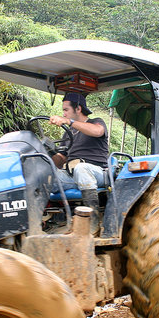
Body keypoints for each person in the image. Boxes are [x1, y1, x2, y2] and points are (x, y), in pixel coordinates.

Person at [49, 92, 108, 231]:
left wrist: (70, 122)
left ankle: (93, 223)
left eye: (66, 110)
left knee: (82, 168)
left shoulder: (96, 122)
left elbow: (98, 132)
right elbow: (60, 160)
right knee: (45, 177)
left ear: (78, 109)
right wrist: (48, 153)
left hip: (97, 173)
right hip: (72, 174)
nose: (63, 114)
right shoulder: (68, 132)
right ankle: (46, 222)